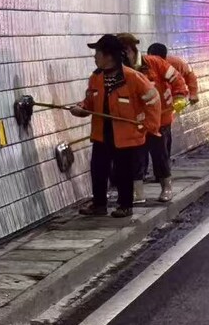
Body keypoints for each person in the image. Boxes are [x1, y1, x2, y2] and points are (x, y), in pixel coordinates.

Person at [75, 34, 158, 218]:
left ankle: (125, 205)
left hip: (125, 135)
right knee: (98, 169)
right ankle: (99, 205)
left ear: (109, 56)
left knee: (123, 171)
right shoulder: (96, 78)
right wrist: (81, 108)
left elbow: (153, 100)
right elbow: (89, 102)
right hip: (101, 133)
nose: (94, 57)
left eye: (97, 53)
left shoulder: (133, 77)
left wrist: (148, 126)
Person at [118, 34, 184, 203]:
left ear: (131, 50)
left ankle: (166, 187)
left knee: (159, 154)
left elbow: (177, 79)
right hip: (135, 123)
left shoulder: (155, 63)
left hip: (159, 119)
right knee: (136, 157)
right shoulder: (120, 72)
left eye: (123, 52)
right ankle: (137, 193)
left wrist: (179, 98)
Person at [148, 40, 199, 161]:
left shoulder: (175, 63)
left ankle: (165, 162)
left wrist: (193, 93)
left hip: (167, 106)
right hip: (151, 109)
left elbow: (189, 74)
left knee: (164, 133)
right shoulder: (144, 68)